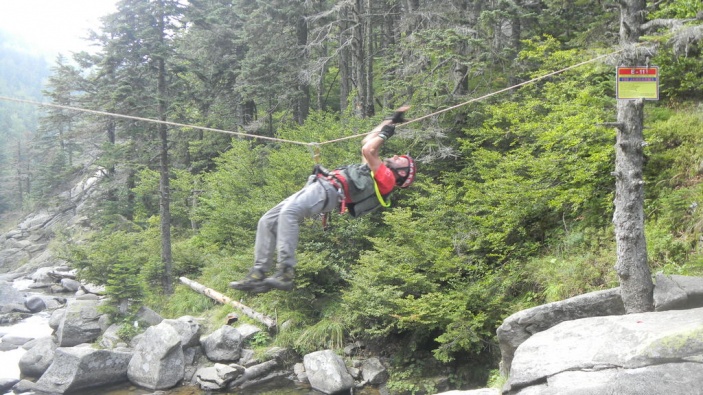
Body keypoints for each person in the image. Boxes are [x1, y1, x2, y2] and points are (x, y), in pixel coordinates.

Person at [229, 106, 416, 293]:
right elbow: (367, 140)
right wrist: (390, 120)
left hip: (330, 191)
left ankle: (285, 271)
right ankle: (258, 273)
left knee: (289, 213)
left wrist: (386, 134)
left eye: (400, 159)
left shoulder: (388, 180)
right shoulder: (377, 171)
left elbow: (369, 149)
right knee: (267, 220)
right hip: (321, 186)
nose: (394, 156)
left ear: (402, 173)